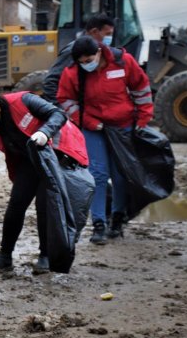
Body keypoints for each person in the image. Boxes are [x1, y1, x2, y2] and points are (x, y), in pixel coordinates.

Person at [0, 87, 89, 273]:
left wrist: (44, 133)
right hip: (28, 160)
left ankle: (45, 256)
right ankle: (5, 256)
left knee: (44, 205)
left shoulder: (24, 100)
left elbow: (58, 114)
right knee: (16, 205)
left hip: (52, 155)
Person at [57, 35, 154, 244]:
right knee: (98, 175)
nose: (86, 65)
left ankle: (117, 219)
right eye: (81, 62)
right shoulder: (73, 73)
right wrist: (90, 122)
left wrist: (143, 119)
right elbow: (66, 100)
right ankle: (99, 224)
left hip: (123, 125)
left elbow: (141, 88)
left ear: (99, 52)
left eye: (89, 59)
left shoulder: (123, 62)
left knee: (121, 175)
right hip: (94, 127)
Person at [43, 13, 116, 104]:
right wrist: (60, 110)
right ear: (94, 32)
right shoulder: (74, 51)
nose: (110, 38)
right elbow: (51, 82)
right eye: (108, 34)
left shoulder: (102, 52)